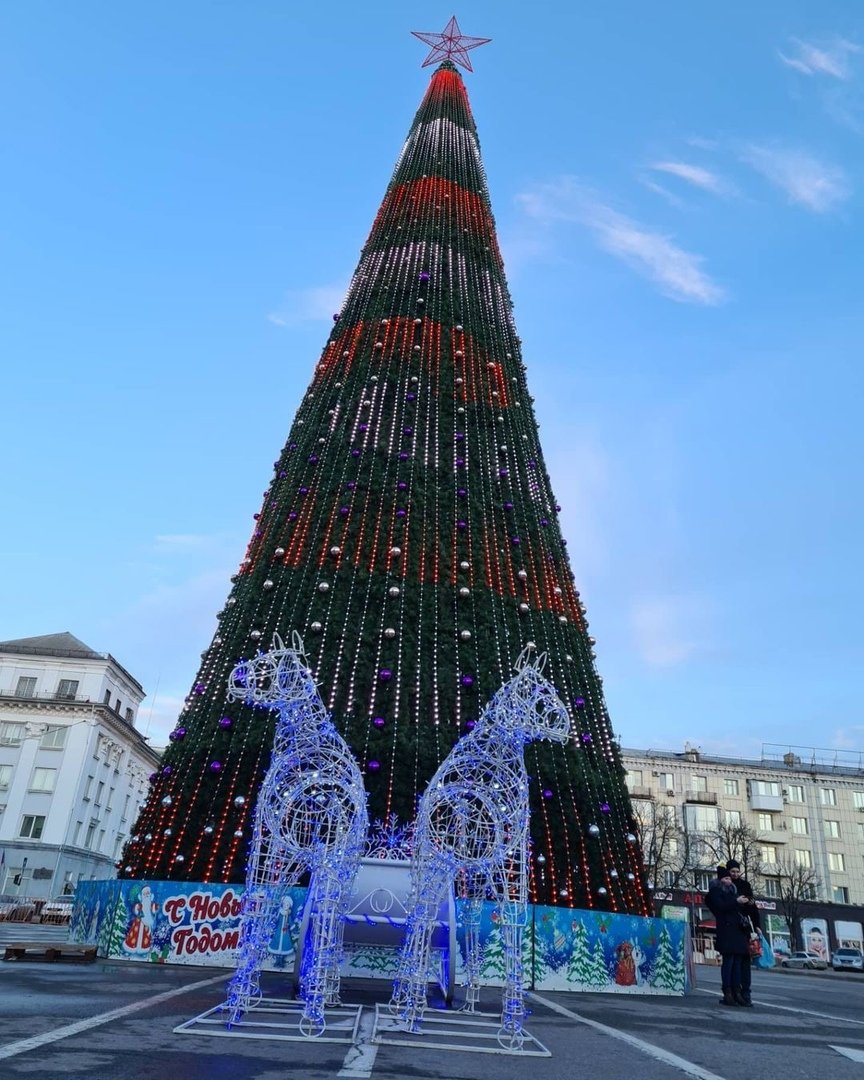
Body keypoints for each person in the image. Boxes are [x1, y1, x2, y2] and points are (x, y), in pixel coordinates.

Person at [706, 865, 750, 1006]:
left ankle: (737, 991)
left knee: (737, 962)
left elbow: (737, 909)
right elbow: (720, 907)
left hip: (737, 931)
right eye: (726, 878)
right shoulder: (715, 892)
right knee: (729, 961)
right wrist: (736, 902)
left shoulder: (733, 892)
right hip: (726, 931)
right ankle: (728, 992)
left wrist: (744, 903)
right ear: (720, 880)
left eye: (729, 878)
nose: (729, 881)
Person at [727, 859, 759, 1006]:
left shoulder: (745, 885)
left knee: (745, 962)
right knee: (736, 962)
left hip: (746, 928)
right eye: (732, 871)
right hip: (733, 928)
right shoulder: (726, 885)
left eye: (737, 871)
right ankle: (736, 992)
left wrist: (757, 925)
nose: (735, 874)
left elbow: (753, 906)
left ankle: (746, 993)